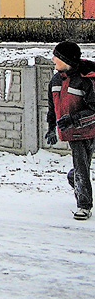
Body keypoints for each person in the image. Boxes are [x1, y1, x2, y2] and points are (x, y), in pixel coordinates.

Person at [45, 40, 95, 220]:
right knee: (81, 167)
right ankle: (74, 179)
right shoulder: (55, 80)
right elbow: (52, 108)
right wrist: (51, 128)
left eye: (56, 56)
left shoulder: (85, 81)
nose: (53, 60)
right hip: (70, 130)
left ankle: (84, 206)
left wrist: (73, 120)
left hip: (87, 130)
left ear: (66, 60)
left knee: (82, 167)